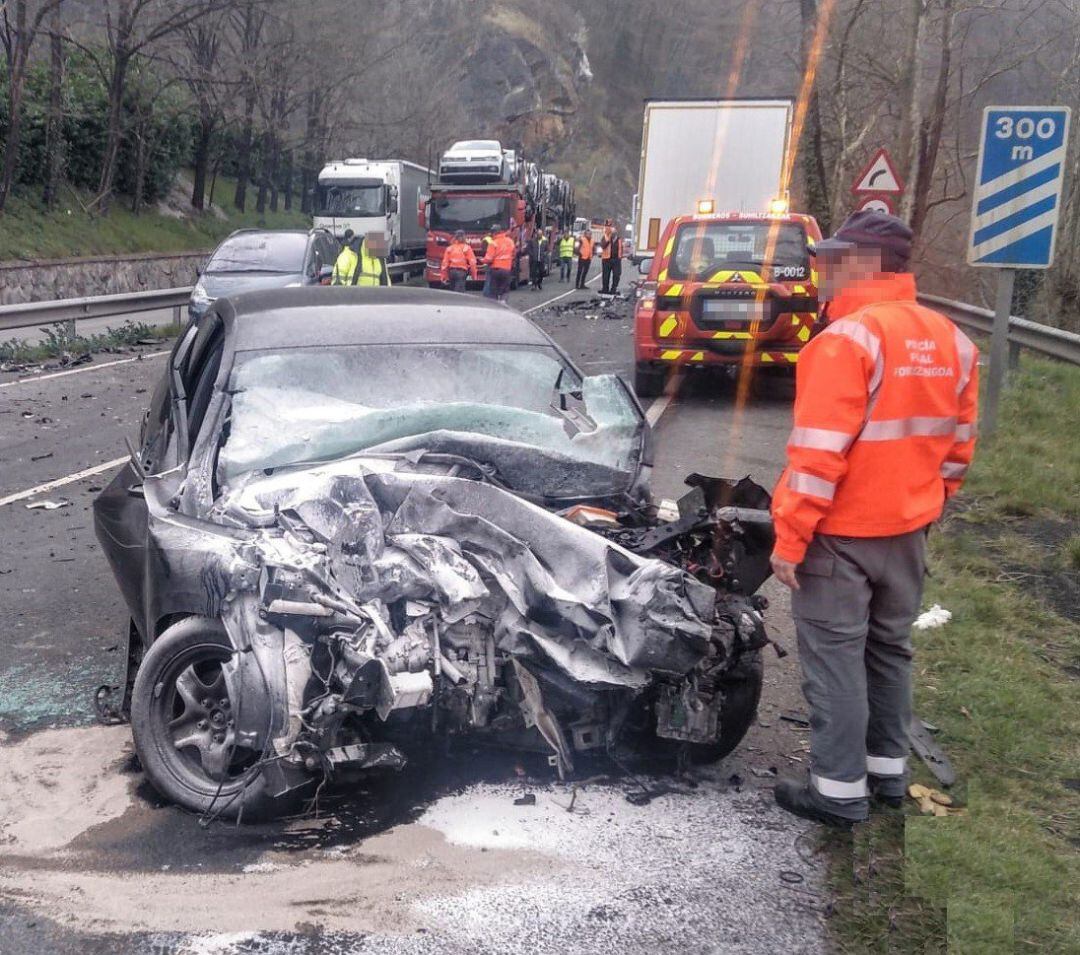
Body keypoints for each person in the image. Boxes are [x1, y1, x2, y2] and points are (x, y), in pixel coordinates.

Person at [768, 210, 979, 829]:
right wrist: (928, 506)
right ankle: (886, 773)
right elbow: (959, 446)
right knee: (890, 650)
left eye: (834, 259)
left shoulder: (845, 341)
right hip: (908, 530)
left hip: (841, 536)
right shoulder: (952, 339)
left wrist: (790, 537)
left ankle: (836, 790)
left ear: (866, 265)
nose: (821, 270)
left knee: (835, 657)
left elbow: (816, 457)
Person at [483, 224, 516, 302]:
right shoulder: (510, 241)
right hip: (506, 269)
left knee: (493, 291)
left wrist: (482, 261)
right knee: (505, 290)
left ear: (494, 233)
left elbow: (489, 259)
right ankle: (503, 304)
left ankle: (495, 307)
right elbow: (514, 253)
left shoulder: (493, 243)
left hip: (495, 270)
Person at [481, 228, 495, 297]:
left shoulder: (486, 239)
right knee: (490, 280)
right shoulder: (495, 240)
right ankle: (489, 295)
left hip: (488, 261)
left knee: (488, 279)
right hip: (493, 262)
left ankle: (486, 295)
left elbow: (483, 249)